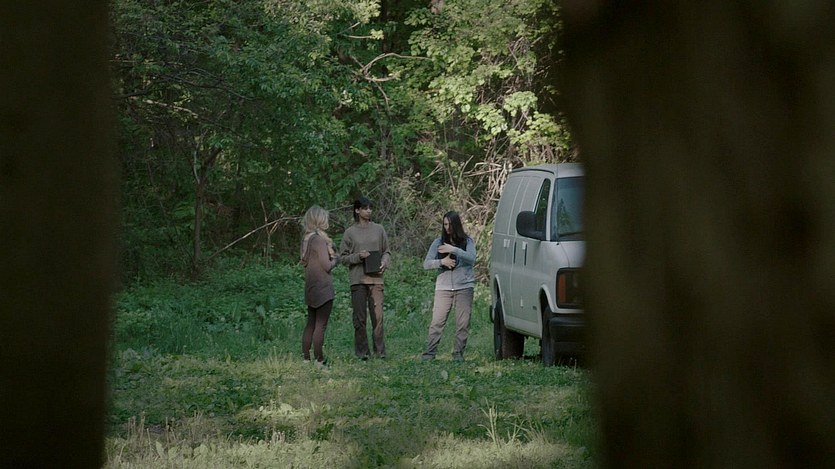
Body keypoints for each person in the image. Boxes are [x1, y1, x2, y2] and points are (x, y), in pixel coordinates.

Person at [339, 196, 391, 360]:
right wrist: (358, 256)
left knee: (378, 316)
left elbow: (387, 251)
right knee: (360, 318)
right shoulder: (350, 232)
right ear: (357, 210)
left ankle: (380, 351)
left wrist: (384, 262)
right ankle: (362, 352)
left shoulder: (379, 229)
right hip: (358, 280)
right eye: (365, 208)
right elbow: (342, 258)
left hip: (376, 279)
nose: (369, 211)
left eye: (370, 208)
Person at [421, 211, 476, 362]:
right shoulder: (438, 242)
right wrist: (441, 262)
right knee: (437, 322)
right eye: (445, 224)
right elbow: (426, 264)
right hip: (443, 287)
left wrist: (454, 250)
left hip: (464, 286)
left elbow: (472, 258)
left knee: (463, 323)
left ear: (456, 225)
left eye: (450, 224)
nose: (447, 228)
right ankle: (429, 354)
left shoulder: (467, 241)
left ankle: (458, 354)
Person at [300, 205, 339, 367]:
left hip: (311, 289)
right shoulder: (318, 240)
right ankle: (319, 360)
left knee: (310, 323)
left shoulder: (306, 240)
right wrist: (336, 259)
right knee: (320, 326)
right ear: (319, 220)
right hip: (323, 289)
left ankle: (306, 359)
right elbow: (327, 266)